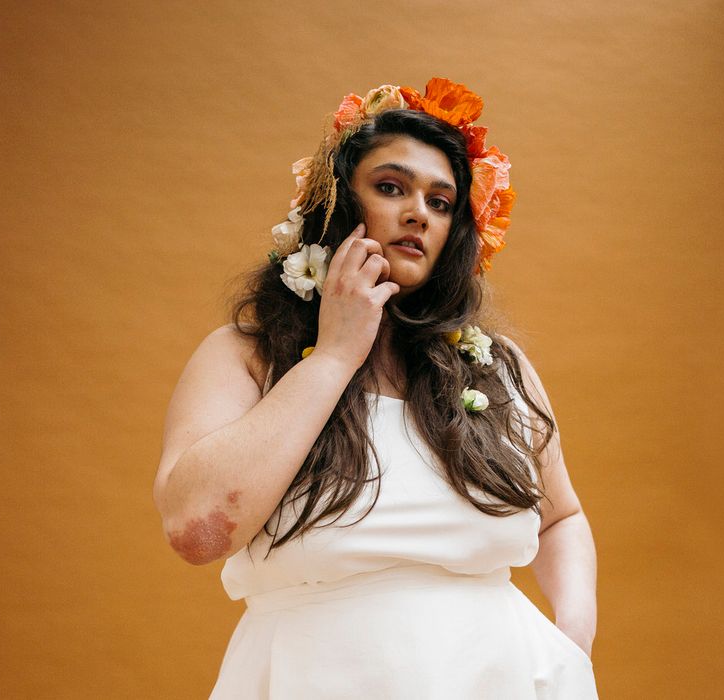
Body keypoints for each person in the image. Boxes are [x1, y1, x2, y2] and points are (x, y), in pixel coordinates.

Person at [153, 78, 598, 699]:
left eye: (441, 203)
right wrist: (335, 355)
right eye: (391, 188)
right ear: (335, 206)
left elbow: (562, 519)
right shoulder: (243, 356)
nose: (418, 212)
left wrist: (570, 644)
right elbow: (197, 533)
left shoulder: (500, 368)